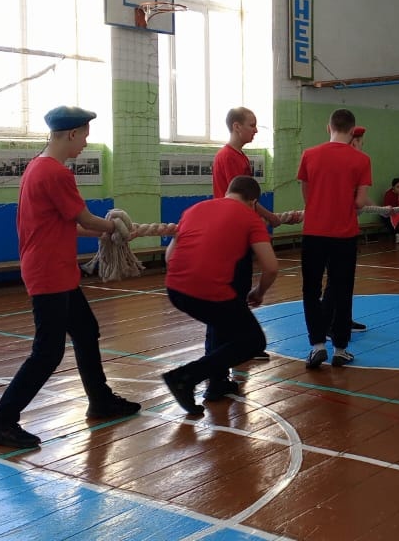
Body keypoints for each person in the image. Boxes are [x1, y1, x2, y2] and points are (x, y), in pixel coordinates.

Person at [0, 106, 140, 449]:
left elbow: (68, 224)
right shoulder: (55, 173)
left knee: (85, 330)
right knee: (47, 352)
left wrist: (105, 232)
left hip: (56, 269)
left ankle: (100, 400)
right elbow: (85, 218)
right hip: (49, 272)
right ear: (71, 133)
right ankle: (1, 422)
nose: (85, 143)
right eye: (84, 136)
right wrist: (115, 226)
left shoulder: (37, 167)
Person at [160, 176, 277, 415]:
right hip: (207, 291)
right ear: (253, 202)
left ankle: (217, 384)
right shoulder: (250, 217)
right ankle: (185, 376)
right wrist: (259, 292)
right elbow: (271, 267)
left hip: (175, 289)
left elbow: (169, 257)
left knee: (220, 321)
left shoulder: (195, 209)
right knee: (253, 341)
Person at [201, 107, 282, 399]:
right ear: (236, 126)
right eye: (251, 125)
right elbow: (244, 199)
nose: (255, 130)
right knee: (225, 305)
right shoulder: (229, 158)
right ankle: (215, 377)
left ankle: (236, 350)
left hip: (234, 235)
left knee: (233, 300)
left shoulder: (239, 157)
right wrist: (269, 217)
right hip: (230, 238)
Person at [298, 109, 373, 368]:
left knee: (311, 289)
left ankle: (317, 346)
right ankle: (340, 349)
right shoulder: (362, 159)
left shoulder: (309, 154)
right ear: (352, 131)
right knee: (342, 289)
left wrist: (320, 206)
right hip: (344, 235)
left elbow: (306, 194)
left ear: (328, 127)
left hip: (313, 232)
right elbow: (360, 202)